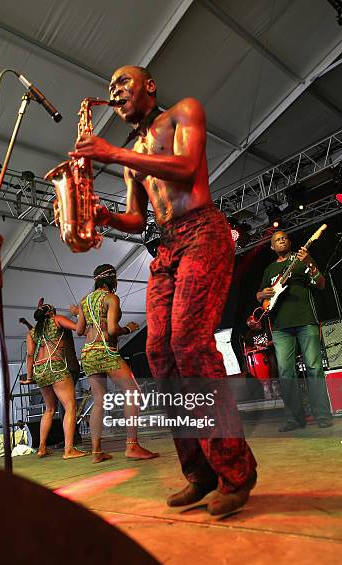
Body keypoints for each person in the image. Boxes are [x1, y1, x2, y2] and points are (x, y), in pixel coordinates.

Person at [70, 65, 257, 515]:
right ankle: (200, 473)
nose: (115, 91)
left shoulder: (183, 113)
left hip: (204, 232)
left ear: (149, 85)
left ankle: (236, 473)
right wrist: (108, 216)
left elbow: (186, 166)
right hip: (168, 246)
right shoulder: (132, 151)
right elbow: (139, 219)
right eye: (111, 87)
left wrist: (113, 155)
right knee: (159, 354)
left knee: (190, 344)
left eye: (123, 83)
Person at [76, 263, 159, 463]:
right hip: (106, 350)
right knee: (133, 392)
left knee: (99, 401)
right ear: (112, 279)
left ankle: (97, 452)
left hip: (88, 353)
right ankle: (132, 446)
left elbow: (79, 331)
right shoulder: (111, 298)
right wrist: (128, 329)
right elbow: (113, 330)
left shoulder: (84, 301)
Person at [257, 230, 332, 431]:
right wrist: (262, 293)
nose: (281, 241)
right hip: (280, 326)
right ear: (272, 247)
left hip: (306, 320)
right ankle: (294, 419)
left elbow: (321, 283)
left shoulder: (301, 259)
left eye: (284, 238)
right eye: (276, 240)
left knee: (314, 369)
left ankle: (323, 415)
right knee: (285, 373)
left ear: (289, 242)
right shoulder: (269, 269)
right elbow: (261, 296)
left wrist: (308, 262)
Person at [21, 302, 87, 459]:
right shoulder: (57, 319)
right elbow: (79, 329)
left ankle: (42, 448)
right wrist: (80, 313)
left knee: (49, 409)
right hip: (56, 367)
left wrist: (30, 377)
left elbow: (30, 356)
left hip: (40, 370)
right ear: (50, 313)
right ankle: (69, 450)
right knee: (70, 406)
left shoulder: (32, 332)